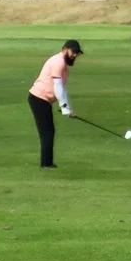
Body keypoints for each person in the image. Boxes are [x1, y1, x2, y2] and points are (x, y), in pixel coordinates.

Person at [27, 39, 82, 168]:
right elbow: (57, 87)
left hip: (43, 99)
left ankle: (47, 162)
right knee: (47, 132)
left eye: (77, 53)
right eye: (73, 52)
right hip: (39, 98)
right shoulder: (58, 62)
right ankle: (46, 163)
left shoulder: (63, 64)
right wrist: (64, 108)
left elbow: (62, 89)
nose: (75, 55)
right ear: (65, 49)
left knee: (49, 132)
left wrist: (67, 108)